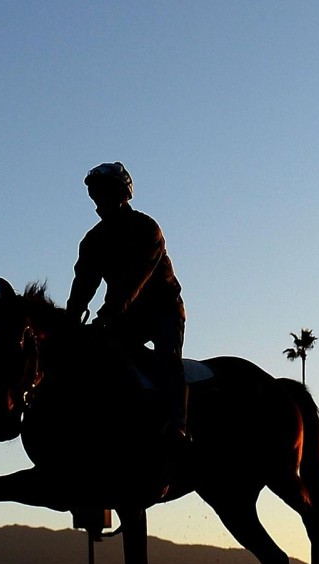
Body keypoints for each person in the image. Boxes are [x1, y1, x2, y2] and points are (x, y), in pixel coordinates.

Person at [65, 161, 187, 499]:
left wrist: (110, 312)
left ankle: (177, 425)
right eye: (94, 193)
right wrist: (70, 321)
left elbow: (137, 279)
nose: (97, 199)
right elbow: (83, 285)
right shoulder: (93, 241)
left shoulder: (147, 229)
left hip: (162, 310)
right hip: (122, 318)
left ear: (121, 194)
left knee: (167, 359)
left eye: (102, 192)